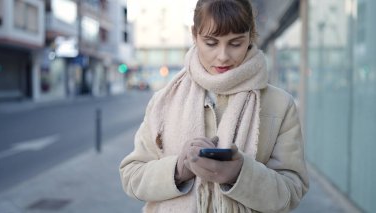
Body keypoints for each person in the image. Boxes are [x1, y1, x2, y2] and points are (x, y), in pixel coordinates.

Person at [119, 0, 309, 212]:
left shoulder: (279, 105)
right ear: (195, 35)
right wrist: (178, 169)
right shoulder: (163, 100)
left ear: (251, 36)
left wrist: (240, 174)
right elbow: (131, 176)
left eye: (235, 43)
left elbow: (292, 190)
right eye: (211, 43)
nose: (223, 56)